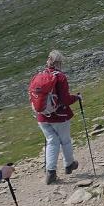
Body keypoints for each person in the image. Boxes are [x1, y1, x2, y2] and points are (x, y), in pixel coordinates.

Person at [31, 50, 81, 184]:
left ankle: (51, 172)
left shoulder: (39, 76)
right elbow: (65, 99)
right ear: (60, 62)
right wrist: (77, 97)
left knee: (51, 141)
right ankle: (69, 164)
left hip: (42, 116)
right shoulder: (60, 77)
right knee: (65, 140)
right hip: (59, 116)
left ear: (48, 61)